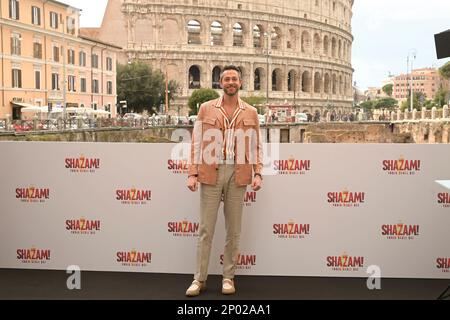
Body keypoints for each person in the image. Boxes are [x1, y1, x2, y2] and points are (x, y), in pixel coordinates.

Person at [186, 65, 263, 297]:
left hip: (238, 173)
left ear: (240, 83)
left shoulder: (250, 112)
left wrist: (257, 172)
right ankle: (198, 279)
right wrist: (192, 173)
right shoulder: (205, 108)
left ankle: (228, 277)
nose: (230, 82)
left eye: (234, 79)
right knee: (206, 229)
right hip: (211, 171)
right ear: (220, 83)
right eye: (226, 79)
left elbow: (256, 145)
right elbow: (196, 143)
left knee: (234, 231)